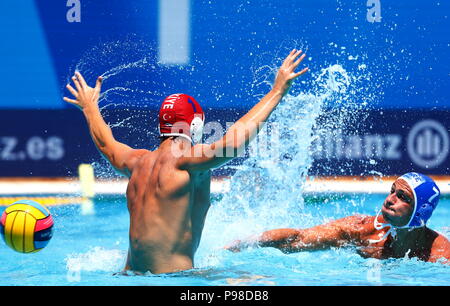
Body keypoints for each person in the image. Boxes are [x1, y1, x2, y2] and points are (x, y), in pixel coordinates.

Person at [63, 49, 309, 274]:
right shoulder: (185, 162)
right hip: (176, 279)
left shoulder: (136, 162)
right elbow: (233, 144)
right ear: (195, 126)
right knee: (261, 281)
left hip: (127, 276)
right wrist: (277, 91)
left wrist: (89, 107)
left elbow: (107, 144)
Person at [226, 172, 450, 264]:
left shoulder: (440, 256)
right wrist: (247, 243)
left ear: (420, 212)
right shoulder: (361, 230)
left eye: (402, 197)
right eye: (392, 190)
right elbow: (296, 238)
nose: (390, 199)